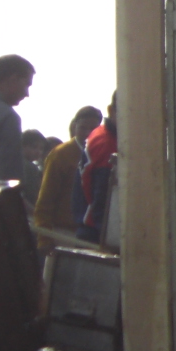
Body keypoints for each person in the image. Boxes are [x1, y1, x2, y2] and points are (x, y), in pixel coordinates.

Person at [35, 106, 101, 248]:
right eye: (83, 128)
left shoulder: (103, 153)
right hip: (63, 232)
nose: (87, 133)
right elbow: (46, 199)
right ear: (74, 126)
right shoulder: (61, 155)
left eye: (93, 129)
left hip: (94, 233)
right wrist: (44, 237)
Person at [0, 54, 36, 180]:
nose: (27, 94)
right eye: (27, 84)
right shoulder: (6, 117)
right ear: (13, 79)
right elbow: (9, 177)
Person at [78, 92, 117, 245]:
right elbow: (103, 201)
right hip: (98, 233)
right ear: (112, 111)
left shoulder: (100, 133)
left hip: (88, 226)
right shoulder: (107, 144)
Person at [19, 129, 47, 205]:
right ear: (22, 146)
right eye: (34, 147)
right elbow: (33, 196)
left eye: (41, 148)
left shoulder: (13, 163)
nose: (38, 152)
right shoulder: (29, 167)